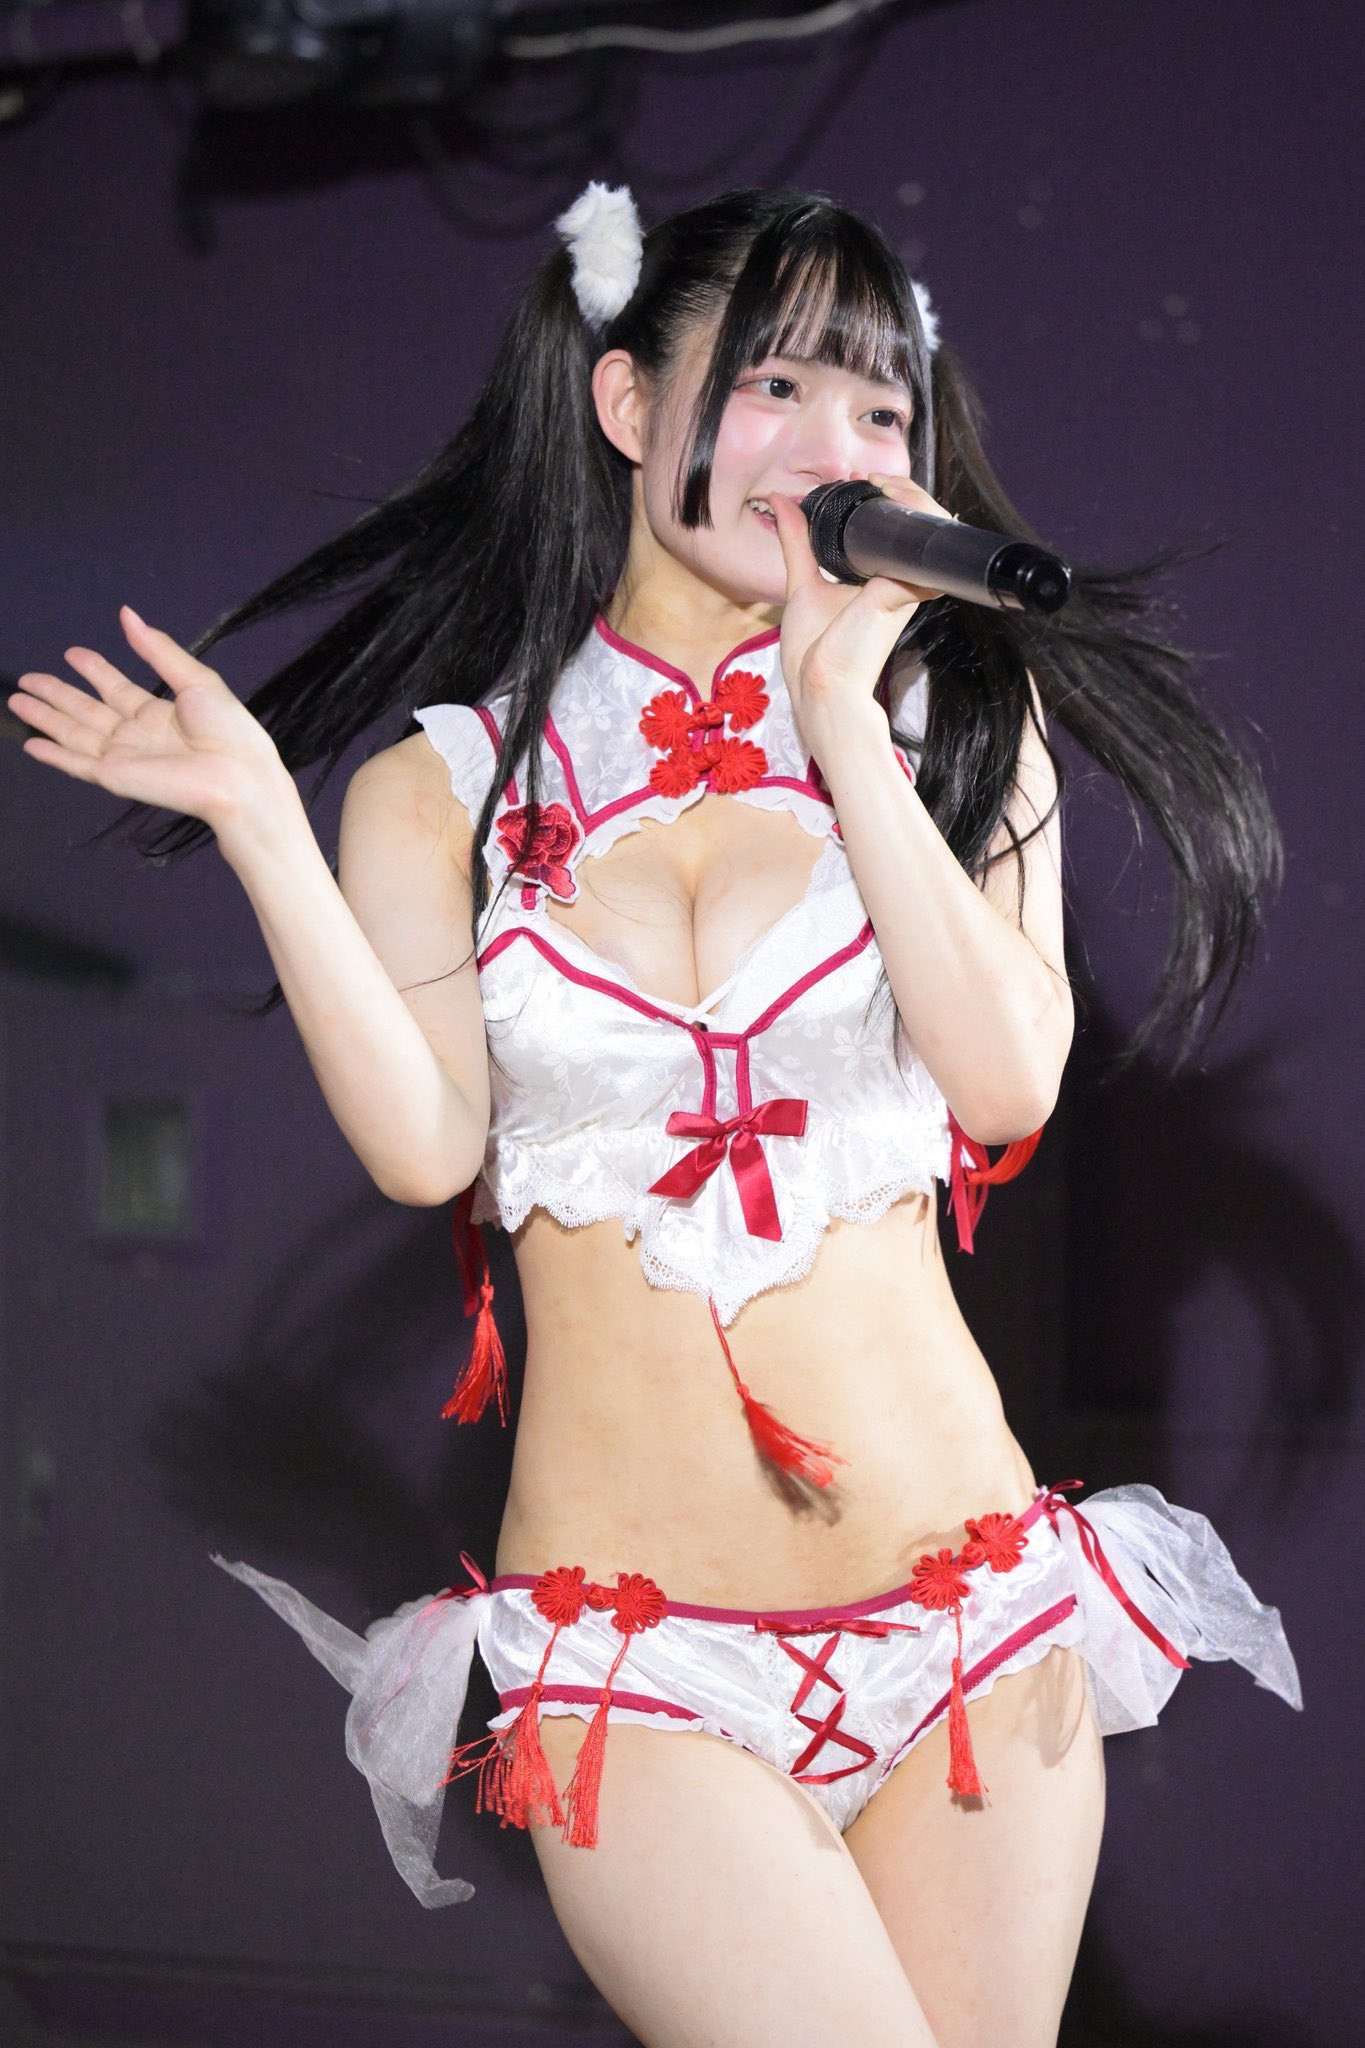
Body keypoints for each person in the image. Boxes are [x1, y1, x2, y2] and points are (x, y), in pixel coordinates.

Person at [11, 182, 1301, 2048]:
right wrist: (262, 828)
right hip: (637, 1658)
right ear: (629, 405)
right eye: (776, 387)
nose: (836, 447)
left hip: (965, 1617)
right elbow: (427, 1151)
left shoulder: (955, 724)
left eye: (879, 409)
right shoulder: (443, 788)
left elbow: (1005, 1080)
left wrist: (844, 721)